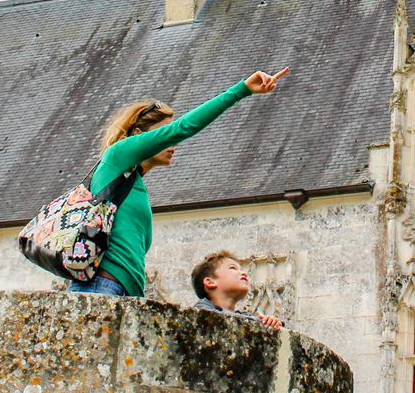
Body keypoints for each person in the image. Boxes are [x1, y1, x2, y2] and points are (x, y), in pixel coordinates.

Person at [68, 68, 289, 297]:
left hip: (124, 291)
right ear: (138, 134)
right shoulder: (117, 156)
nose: (172, 143)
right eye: (162, 135)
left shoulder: (133, 184)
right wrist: (241, 90)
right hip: (101, 286)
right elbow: (183, 128)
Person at [189, 251, 283, 328]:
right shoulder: (201, 309)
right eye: (233, 268)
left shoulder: (246, 316)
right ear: (210, 282)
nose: (243, 273)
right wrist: (258, 321)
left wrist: (271, 323)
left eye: (241, 269)